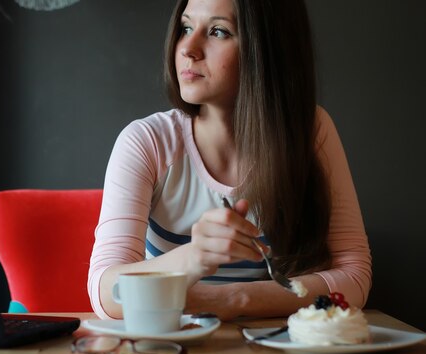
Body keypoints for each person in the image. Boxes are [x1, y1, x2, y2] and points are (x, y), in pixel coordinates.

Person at [88, 0, 371, 321]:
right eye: (186, 28)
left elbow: (355, 277)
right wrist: (194, 257)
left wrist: (234, 299)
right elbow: (105, 291)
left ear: (268, 49)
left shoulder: (311, 132)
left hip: (274, 351)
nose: (188, 49)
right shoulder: (147, 141)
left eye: (219, 31)